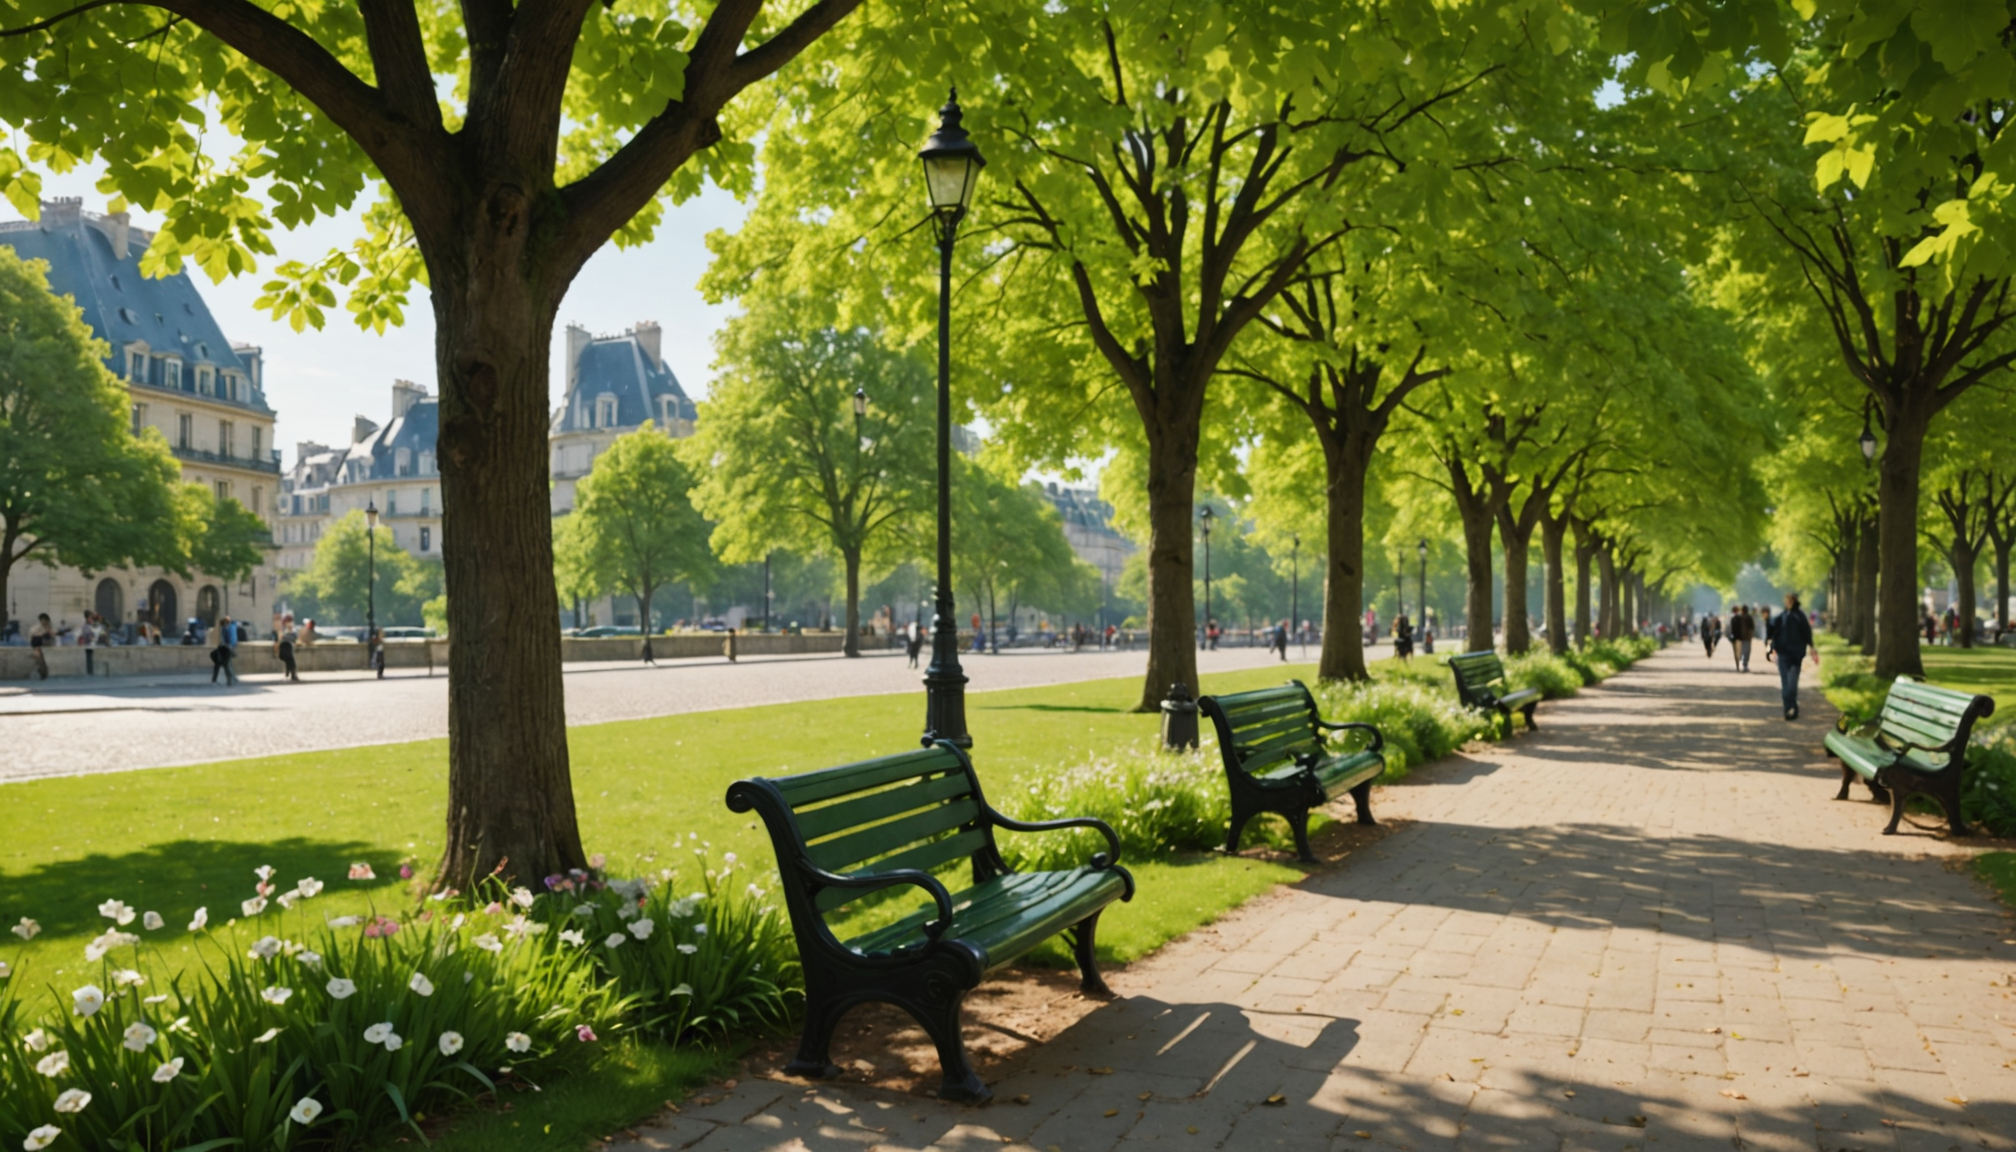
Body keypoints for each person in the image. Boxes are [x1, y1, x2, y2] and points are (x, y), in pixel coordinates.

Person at [1766, 592, 1820, 720]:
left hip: (1796, 655)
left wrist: (1812, 647)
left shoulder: (1800, 617)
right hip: (1783, 654)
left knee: (1792, 684)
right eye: (1787, 599)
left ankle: (1793, 706)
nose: (1789, 602)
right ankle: (1788, 709)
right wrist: (1770, 645)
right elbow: (1772, 631)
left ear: (1795, 601)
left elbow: (1807, 633)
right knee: (1785, 683)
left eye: (1791, 599)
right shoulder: (1781, 617)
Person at [210, 615, 238, 686]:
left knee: (223, 665)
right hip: (228, 648)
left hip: (225, 649)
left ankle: (218, 680)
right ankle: (230, 679)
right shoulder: (231, 627)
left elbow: (225, 640)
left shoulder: (226, 629)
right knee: (226, 665)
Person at [1728, 604, 1753, 672]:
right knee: (1746, 652)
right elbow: (1751, 628)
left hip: (1740, 637)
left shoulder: (1738, 618)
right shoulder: (1748, 617)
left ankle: (1739, 664)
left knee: (1739, 652)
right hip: (1745, 638)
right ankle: (1744, 664)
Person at [275, 615, 300, 682]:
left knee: (289, 661)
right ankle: (292, 674)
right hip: (285, 648)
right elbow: (281, 639)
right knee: (291, 661)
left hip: (286, 648)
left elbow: (295, 638)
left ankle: (289, 673)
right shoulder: (283, 630)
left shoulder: (292, 631)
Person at [29, 613, 53, 680]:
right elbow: (35, 636)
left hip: (44, 647)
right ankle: (42, 674)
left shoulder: (48, 627)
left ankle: (43, 674)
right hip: (37, 646)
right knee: (40, 662)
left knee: (43, 662)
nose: (45, 622)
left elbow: (52, 636)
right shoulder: (36, 628)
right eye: (44, 621)